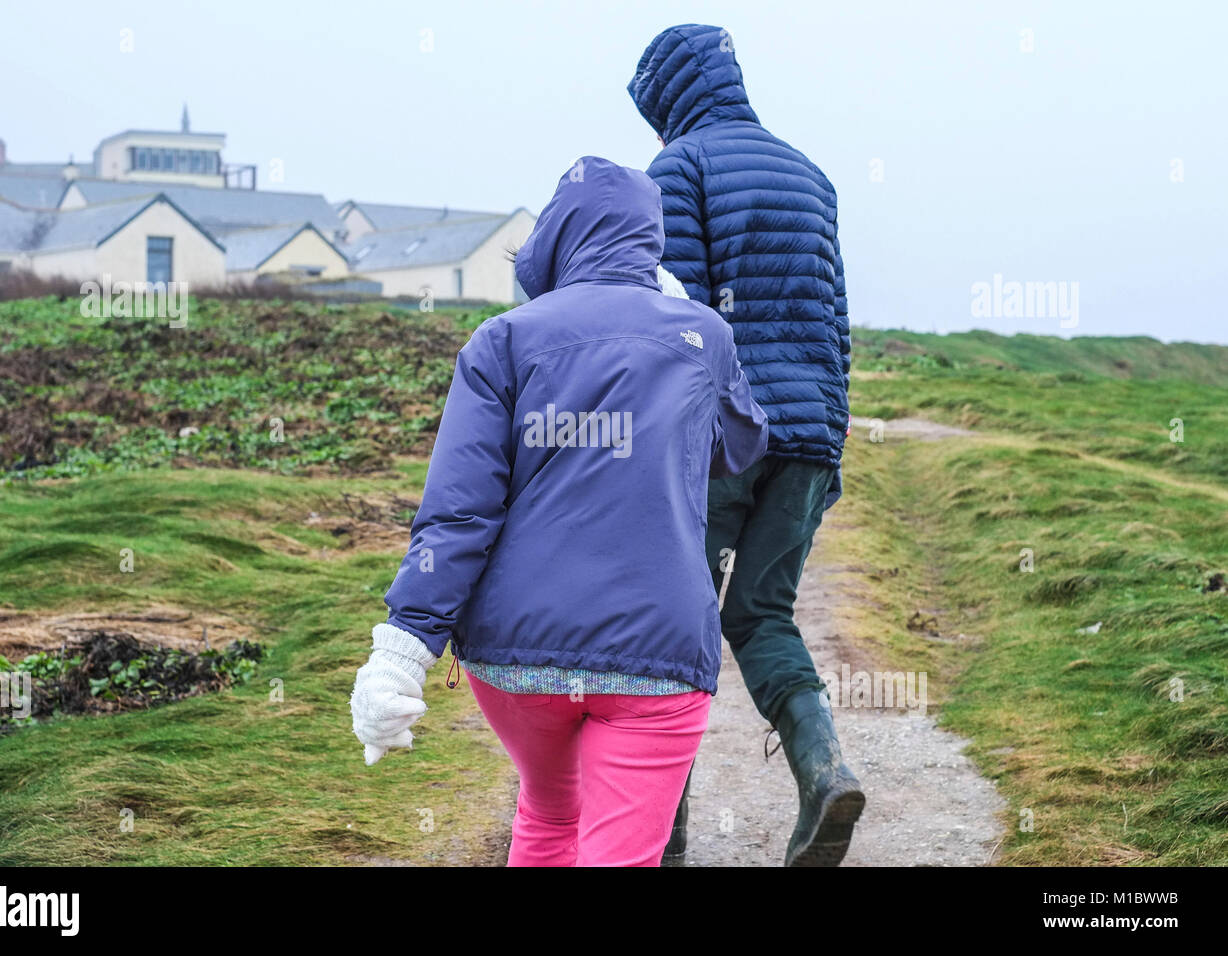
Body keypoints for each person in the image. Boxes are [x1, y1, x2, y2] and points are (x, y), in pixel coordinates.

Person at [350, 156, 769, 867]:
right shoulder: (704, 338)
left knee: (548, 813)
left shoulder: (502, 340)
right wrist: (676, 318)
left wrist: (401, 650)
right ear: (651, 239)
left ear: (558, 236)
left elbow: (459, 513)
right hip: (658, 653)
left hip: (517, 658)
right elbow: (740, 442)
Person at [628, 23, 864, 866]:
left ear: (669, 98)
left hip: (721, 437)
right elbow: (836, 326)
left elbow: (679, 321)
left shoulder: (678, 168)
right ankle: (824, 772)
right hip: (807, 437)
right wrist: (830, 447)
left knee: (670, 621)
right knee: (761, 614)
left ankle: (662, 834)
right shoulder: (813, 175)